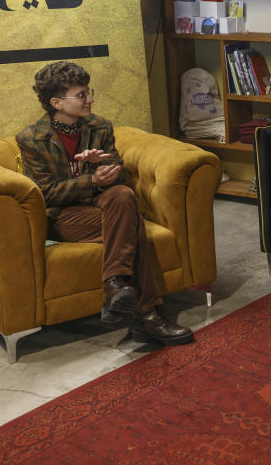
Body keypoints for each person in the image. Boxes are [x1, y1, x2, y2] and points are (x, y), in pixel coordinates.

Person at [16, 61, 192, 345]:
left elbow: (122, 179)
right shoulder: (32, 139)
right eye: (82, 94)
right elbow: (45, 194)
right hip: (63, 217)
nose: (90, 99)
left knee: (123, 196)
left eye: (89, 91)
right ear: (57, 103)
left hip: (105, 206)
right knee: (133, 227)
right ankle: (148, 315)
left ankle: (115, 286)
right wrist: (92, 181)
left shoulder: (99, 126)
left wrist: (105, 164)